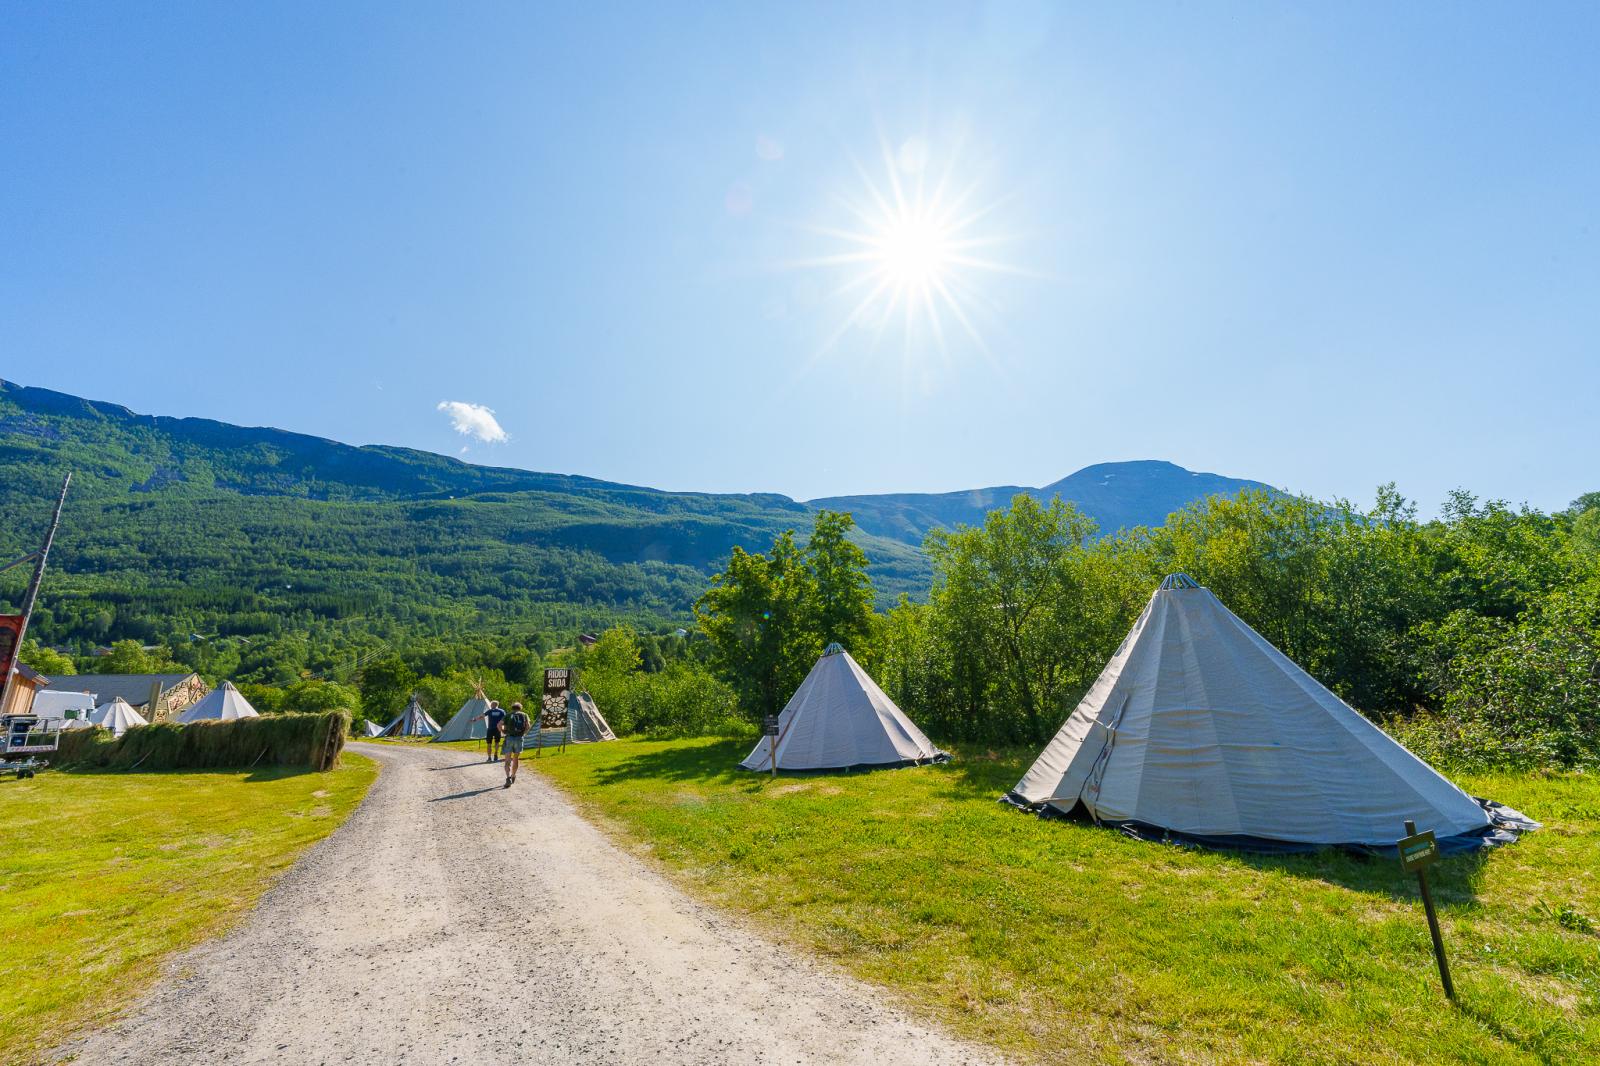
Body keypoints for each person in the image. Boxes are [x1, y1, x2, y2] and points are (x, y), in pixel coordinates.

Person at [501, 701, 531, 787]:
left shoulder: (507, 715)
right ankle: (513, 775)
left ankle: (508, 778)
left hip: (509, 738)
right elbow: (528, 726)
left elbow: (499, 725)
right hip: (519, 738)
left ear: (512, 708)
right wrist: (523, 734)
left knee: (507, 759)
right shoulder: (524, 715)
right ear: (520, 708)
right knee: (515, 758)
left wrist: (503, 731)